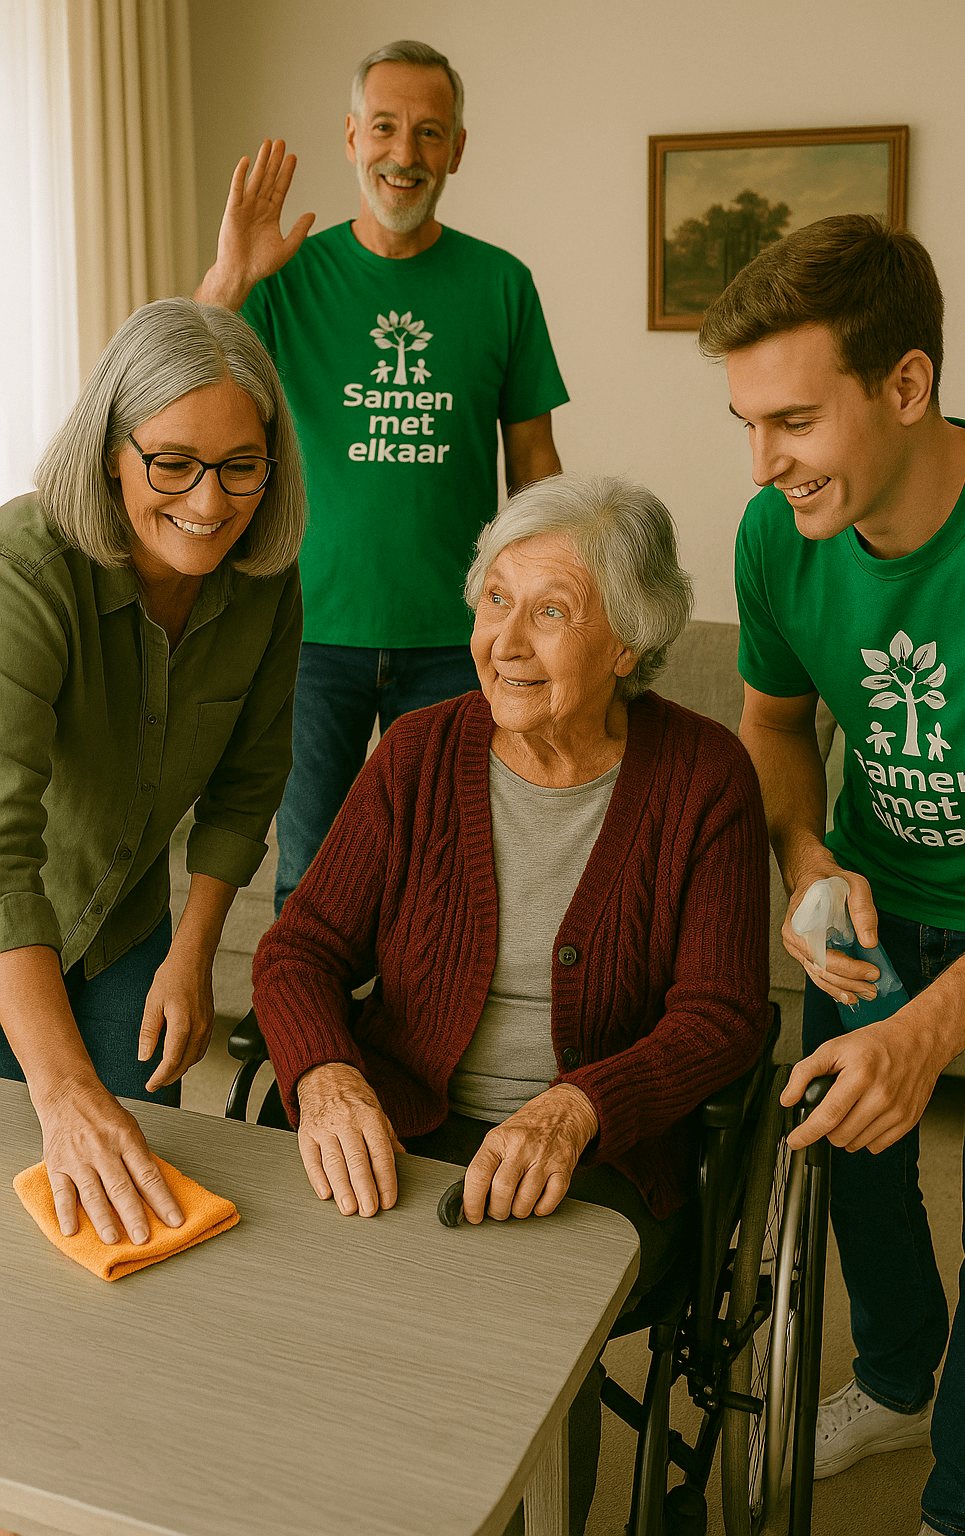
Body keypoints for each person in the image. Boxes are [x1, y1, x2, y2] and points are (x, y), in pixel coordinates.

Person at [252, 473, 771, 1534]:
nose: (508, 640)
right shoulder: (416, 754)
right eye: (496, 600)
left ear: (629, 641)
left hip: (602, 1156)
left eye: (551, 611)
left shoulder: (705, 776)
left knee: (518, 1344)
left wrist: (580, 1106)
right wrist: (328, 1072)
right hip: (404, 1115)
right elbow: (298, 949)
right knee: (297, 1305)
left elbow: (724, 1016)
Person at [700, 214, 965, 1536]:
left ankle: (964, 1501)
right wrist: (809, 857)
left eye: (793, 421)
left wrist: (930, 1030)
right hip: (879, 899)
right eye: (748, 426)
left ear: (907, 385)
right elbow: (774, 727)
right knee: (850, 1160)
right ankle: (894, 1375)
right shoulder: (776, 541)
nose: (768, 463)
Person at [194, 38, 569, 914]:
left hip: (458, 635)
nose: (407, 155)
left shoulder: (503, 285)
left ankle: (413, 1024)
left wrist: (553, 603)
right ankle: (301, 1021)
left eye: (430, 133)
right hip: (306, 629)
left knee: (443, 861)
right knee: (311, 860)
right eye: (389, 129)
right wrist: (229, 276)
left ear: (457, 150)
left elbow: (538, 466)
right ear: (354, 136)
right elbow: (176, 387)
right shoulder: (286, 281)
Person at [0, 297, 304, 1253]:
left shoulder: (266, 579)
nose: (209, 504)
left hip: (128, 921)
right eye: (171, 463)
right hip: (12, 924)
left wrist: (191, 954)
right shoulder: (26, 568)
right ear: (108, 451)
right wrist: (62, 1087)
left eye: (240, 467)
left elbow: (249, 785)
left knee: (135, 1215)